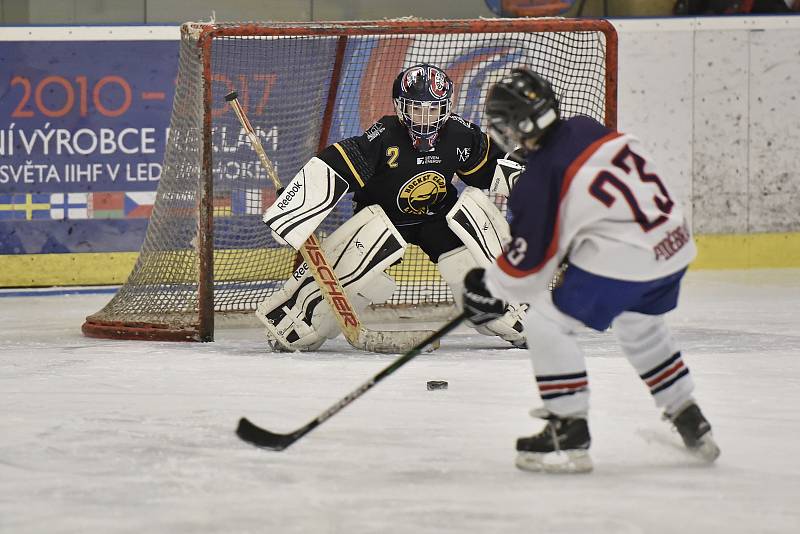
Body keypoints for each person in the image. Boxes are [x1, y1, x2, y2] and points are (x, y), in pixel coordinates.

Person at [462, 68, 721, 473]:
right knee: (642, 327)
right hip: (673, 244)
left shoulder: (538, 178)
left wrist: (487, 287)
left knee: (547, 323)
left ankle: (568, 430)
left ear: (521, 124)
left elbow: (528, 272)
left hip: (626, 257)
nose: (504, 134)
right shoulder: (586, 127)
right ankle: (688, 415)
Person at [257, 64, 528, 352]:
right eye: (416, 109)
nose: (425, 119)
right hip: (384, 219)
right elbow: (338, 163)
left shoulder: (460, 134)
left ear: (447, 107)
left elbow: (491, 168)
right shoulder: (384, 136)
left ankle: (516, 307)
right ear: (400, 107)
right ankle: (298, 317)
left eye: (434, 110)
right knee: (326, 315)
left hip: (437, 217)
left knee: (489, 293)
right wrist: (299, 203)